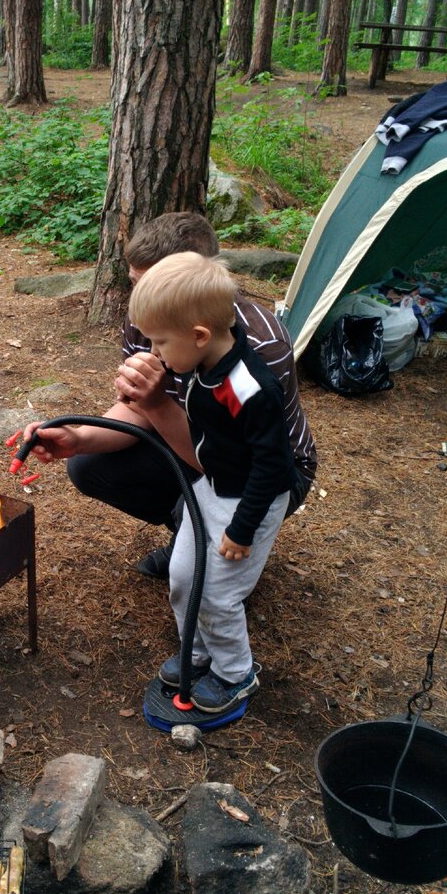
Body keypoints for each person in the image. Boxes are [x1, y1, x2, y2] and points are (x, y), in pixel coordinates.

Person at [19, 212, 316, 579]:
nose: (138, 302)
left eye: (152, 287)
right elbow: (138, 413)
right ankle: (193, 536)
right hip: (197, 440)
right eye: (135, 284)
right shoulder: (152, 313)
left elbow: (237, 463)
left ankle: (218, 554)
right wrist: (79, 438)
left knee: (204, 559)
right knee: (88, 465)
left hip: (265, 470)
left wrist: (156, 402)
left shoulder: (258, 348)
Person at [126, 251, 296, 711]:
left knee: (219, 593)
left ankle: (236, 674)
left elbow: (273, 466)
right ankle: (197, 652)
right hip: (214, 485)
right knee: (184, 576)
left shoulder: (247, 387)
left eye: (160, 343)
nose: (155, 354)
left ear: (198, 335)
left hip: (248, 500)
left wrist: (242, 530)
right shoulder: (202, 360)